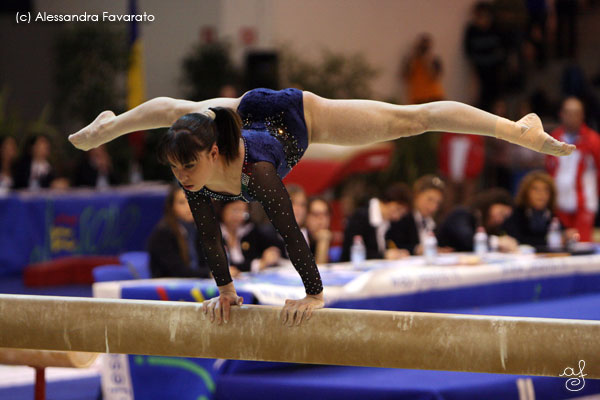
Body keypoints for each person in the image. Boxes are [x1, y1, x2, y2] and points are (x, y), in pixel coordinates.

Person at [69, 87, 575, 326]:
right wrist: (225, 290)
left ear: (216, 154)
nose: (181, 178)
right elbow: (206, 234)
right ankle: (112, 123)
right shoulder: (195, 166)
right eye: (176, 170)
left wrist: (315, 294)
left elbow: (291, 232)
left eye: (187, 169)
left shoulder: (258, 173)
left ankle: (517, 130)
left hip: (297, 115)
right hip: (241, 114)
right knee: (180, 114)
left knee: (411, 119)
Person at [546, 96, 600, 241]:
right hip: (559, 202)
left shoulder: (593, 140)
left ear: (582, 115)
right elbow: (549, 169)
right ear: (561, 114)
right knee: (559, 244)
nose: (572, 117)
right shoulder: (554, 137)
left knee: (582, 246)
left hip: (584, 204)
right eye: (568, 113)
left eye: (576, 113)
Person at [147, 185, 211, 278]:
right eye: (182, 202)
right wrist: (210, 274)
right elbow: (178, 271)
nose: (189, 206)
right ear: (172, 207)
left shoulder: (198, 230)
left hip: (196, 284)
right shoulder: (163, 233)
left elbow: (205, 263)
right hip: (168, 288)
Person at [503, 170, 577, 248]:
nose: (541, 194)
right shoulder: (516, 214)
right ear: (525, 193)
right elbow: (518, 241)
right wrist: (553, 241)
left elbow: (563, 234)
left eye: (546, 190)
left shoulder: (551, 216)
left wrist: (568, 235)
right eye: (535, 189)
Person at [341, 182, 412, 261]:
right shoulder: (361, 216)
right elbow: (351, 252)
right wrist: (384, 255)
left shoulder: (389, 222)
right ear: (387, 200)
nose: (397, 216)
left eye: (402, 213)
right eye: (398, 209)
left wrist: (396, 253)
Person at [437, 188, 516, 252]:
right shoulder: (462, 214)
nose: (501, 219)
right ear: (489, 205)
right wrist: (497, 242)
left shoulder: (492, 227)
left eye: (505, 217)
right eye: (500, 212)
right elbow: (467, 240)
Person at [217, 199, 282, 275]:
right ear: (222, 209)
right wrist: (255, 265)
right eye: (235, 210)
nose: (240, 216)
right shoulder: (211, 233)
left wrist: (272, 251)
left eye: (244, 212)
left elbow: (272, 244)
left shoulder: (249, 229)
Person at [386, 175, 447, 255]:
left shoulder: (435, 222)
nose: (433, 207)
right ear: (417, 195)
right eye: (430, 199)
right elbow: (392, 245)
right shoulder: (401, 217)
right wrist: (416, 249)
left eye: (437, 203)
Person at [401, 33, 445, 104]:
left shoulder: (434, 60)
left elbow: (434, 76)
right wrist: (413, 59)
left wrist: (427, 60)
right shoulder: (411, 61)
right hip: (417, 98)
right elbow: (405, 77)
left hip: (434, 96)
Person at [305, 197, 333, 264]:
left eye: (325, 214)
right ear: (306, 217)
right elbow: (318, 272)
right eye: (316, 214)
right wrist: (323, 241)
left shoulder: (328, 236)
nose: (322, 219)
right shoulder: (299, 240)